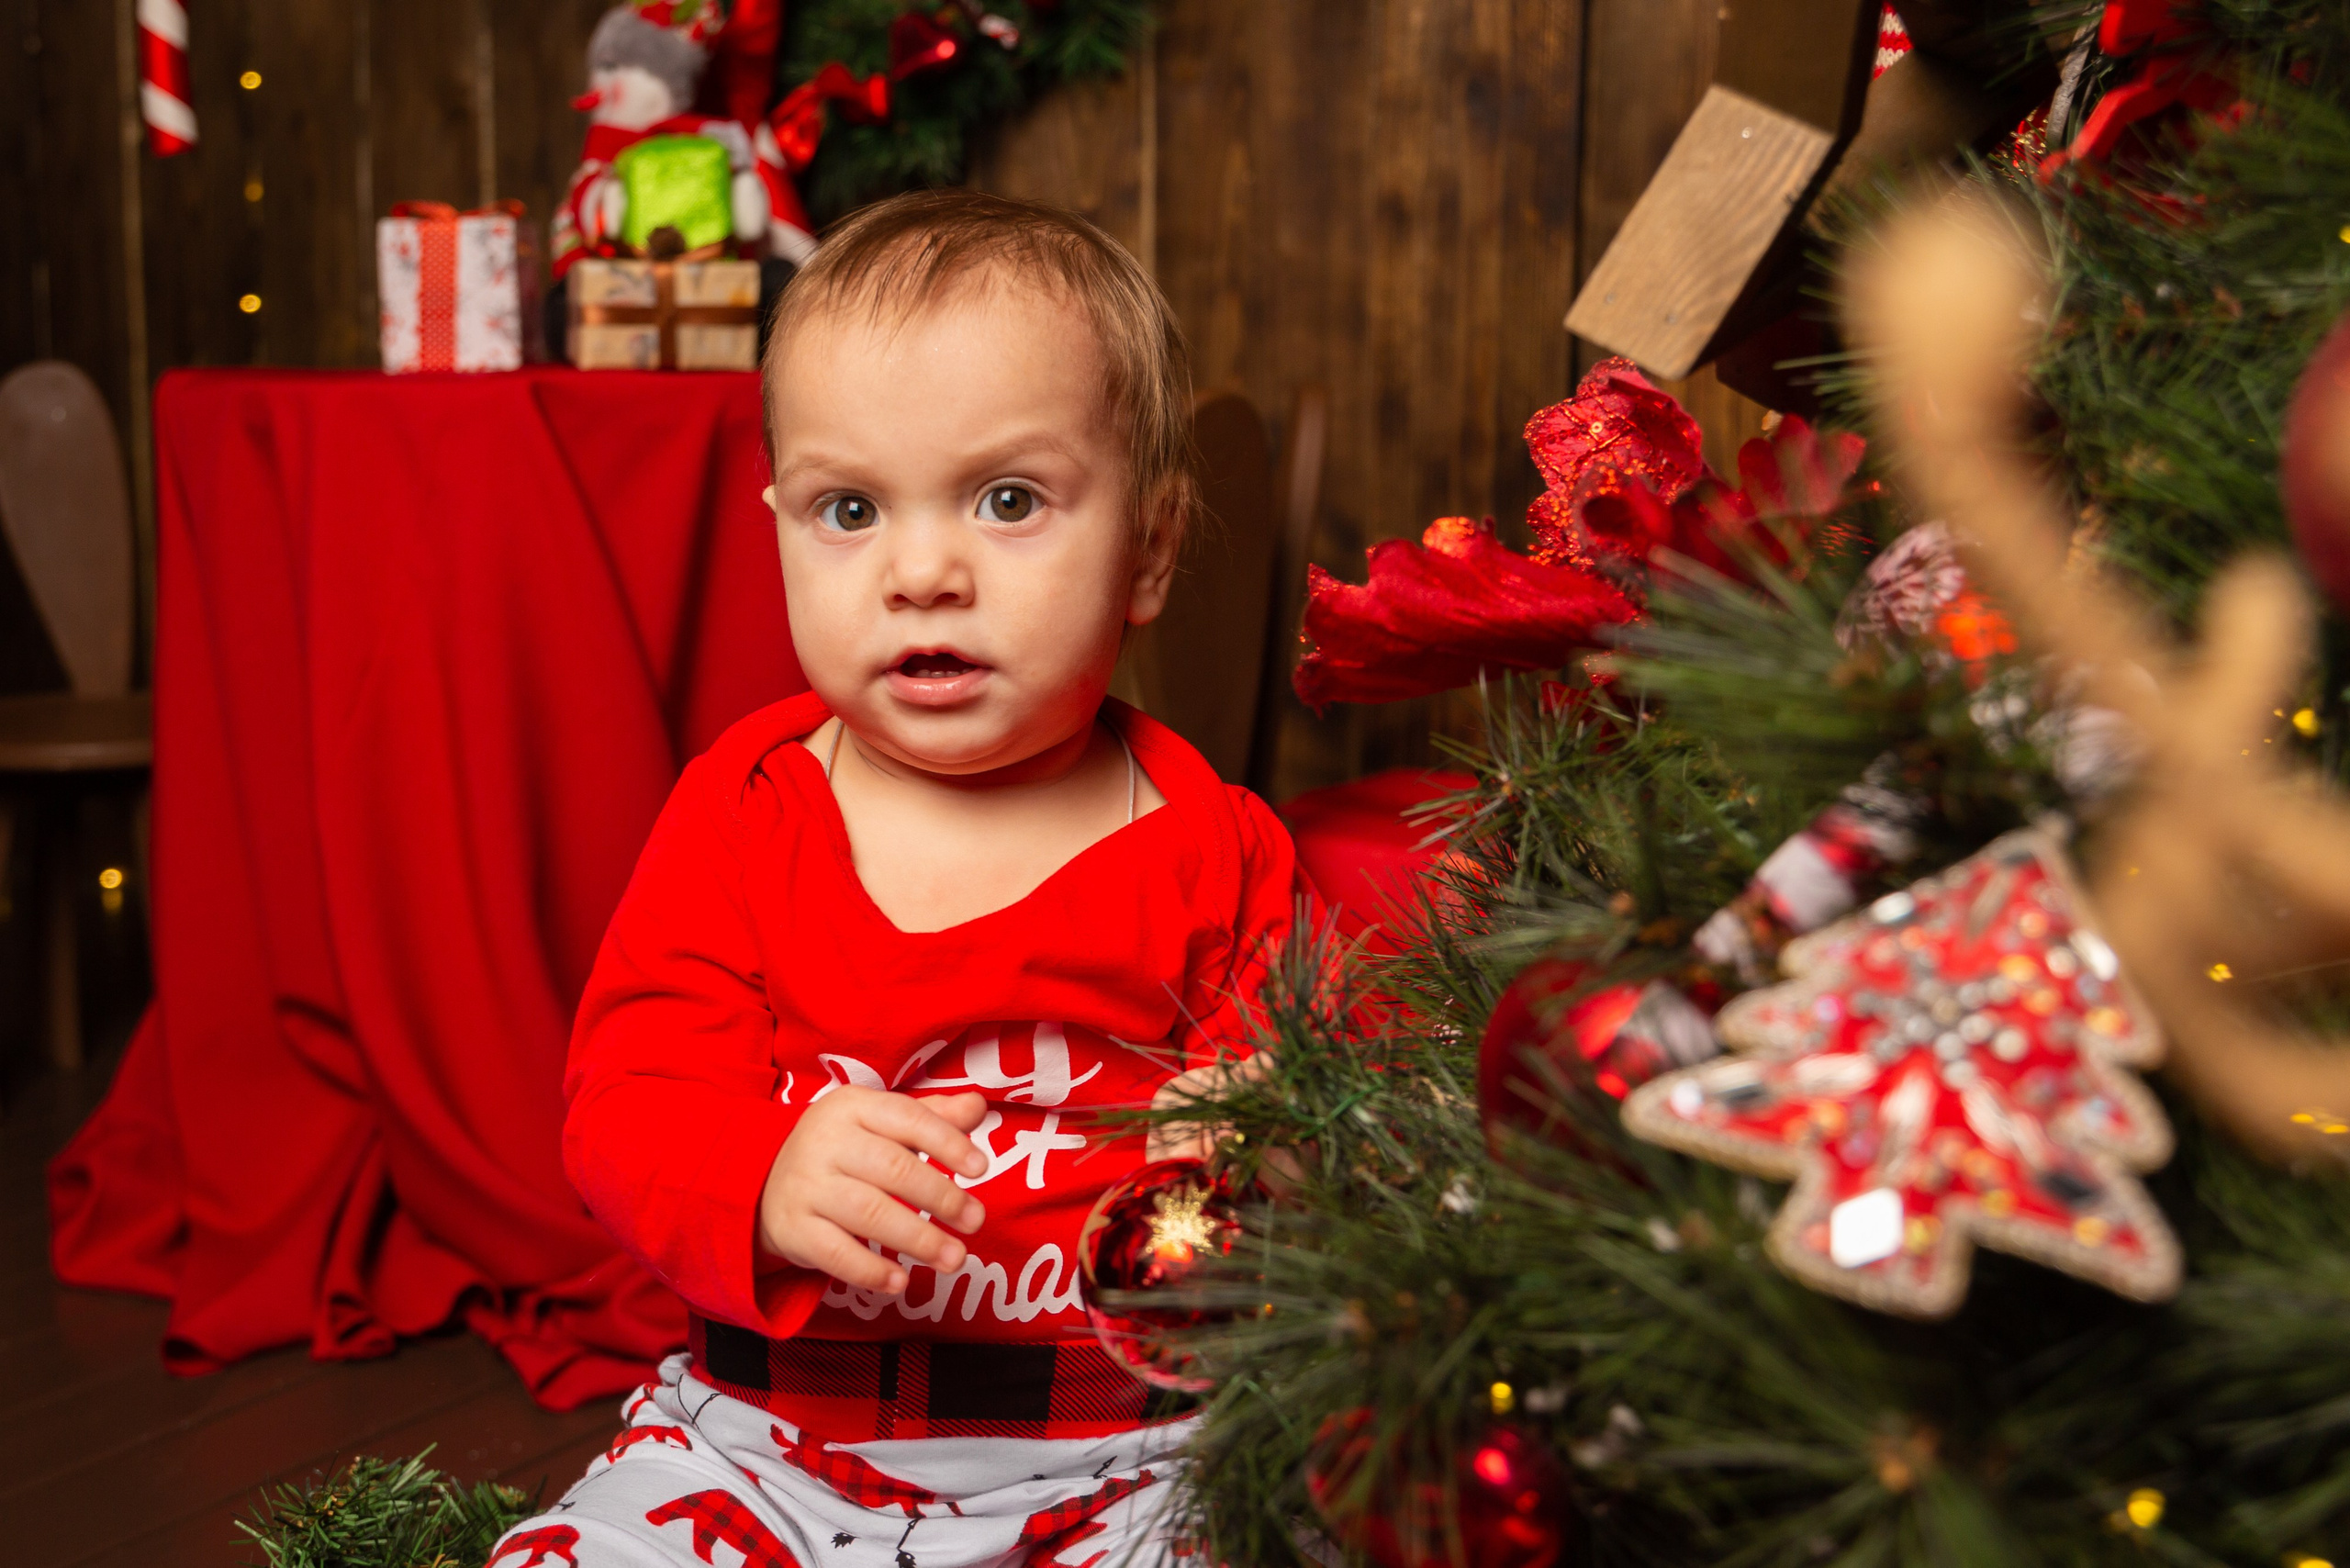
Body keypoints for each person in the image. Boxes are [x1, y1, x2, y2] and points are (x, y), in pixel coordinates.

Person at [488, 189, 1303, 1568]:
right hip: (768, 1444)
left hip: (1132, 1449)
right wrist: (754, 1175)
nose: (923, 572)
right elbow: (626, 1097)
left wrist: (1257, 1133)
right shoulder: (746, 816)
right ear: (782, 526)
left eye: (1008, 500)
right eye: (850, 509)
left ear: (1150, 550)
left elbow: (1317, 1110)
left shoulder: (1214, 844)